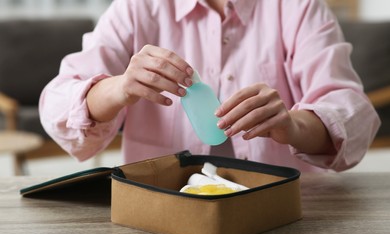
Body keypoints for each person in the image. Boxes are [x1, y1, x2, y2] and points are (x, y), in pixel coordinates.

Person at [39, 0, 380, 173]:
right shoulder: (138, 7)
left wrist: (293, 125)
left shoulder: (298, 7)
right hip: (162, 210)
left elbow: (352, 112)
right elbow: (56, 105)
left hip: (280, 208)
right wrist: (120, 88)